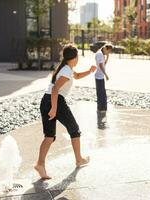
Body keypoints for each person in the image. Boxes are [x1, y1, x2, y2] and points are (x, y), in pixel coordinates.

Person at [34, 45, 96, 179]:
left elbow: (78, 76)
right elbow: (56, 89)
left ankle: (40, 164)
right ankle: (79, 159)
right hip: (55, 101)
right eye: (78, 55)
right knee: (74, 130)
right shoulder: (67, 70)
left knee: (49, 136)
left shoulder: (65, 68)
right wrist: (54, 108)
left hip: (46, 100)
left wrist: (90, 71)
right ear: (74, 57)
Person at [95, 44, 113, 113]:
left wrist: (107, 57)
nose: (108, 53)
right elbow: (100, 66)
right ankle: (100, 108)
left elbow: (103, 64)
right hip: (99, 76)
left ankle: (102, 108)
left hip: (100, 76)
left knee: (102, 93)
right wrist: (106, 75)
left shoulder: (101, 54)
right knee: (101, 93)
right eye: (108, 51)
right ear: (105, 48)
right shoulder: (99, 54)